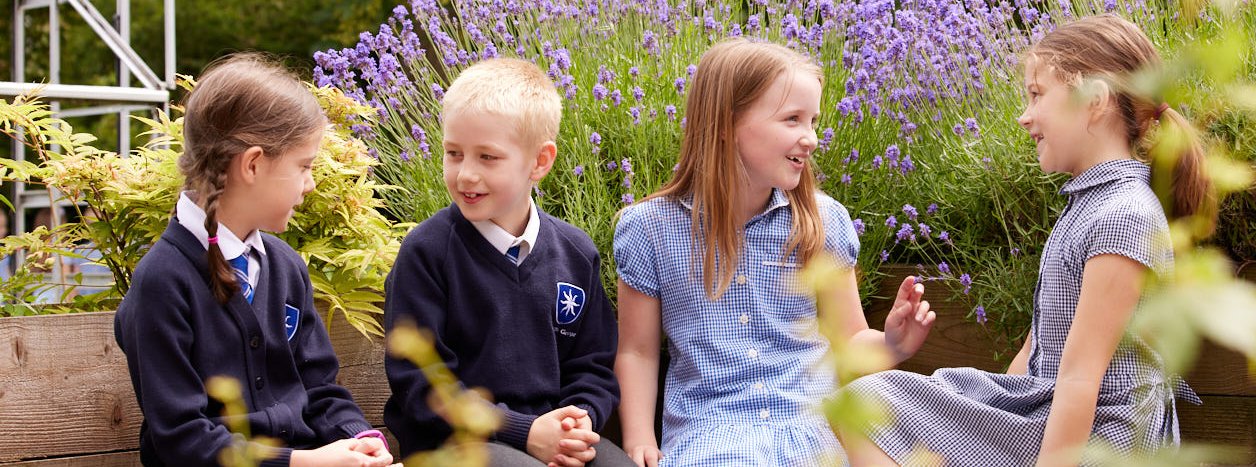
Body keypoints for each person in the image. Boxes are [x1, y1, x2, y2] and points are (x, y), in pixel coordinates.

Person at [843, 14, 1209, 466]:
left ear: (1093, 100)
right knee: (864, 405)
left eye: (1037, 95)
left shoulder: (1122, 216)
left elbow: (1080, 378)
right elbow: (1034, 351)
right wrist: (990, 419)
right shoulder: (1089, 206)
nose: (1024, 116)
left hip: (1103, 437)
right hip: (1050, 411)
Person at [612, 38, 934, 467]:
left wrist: (892, 344)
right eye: (793, 120)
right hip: (711, 433)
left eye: (814, 121)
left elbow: (850, 340)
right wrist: (638, 438)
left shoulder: (822, 220)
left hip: (816, 429)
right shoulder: (648, 228)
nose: (812, 139)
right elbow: (637, 351)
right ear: (727, 123)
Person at [114, 53, 395, 467]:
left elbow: (319, 389)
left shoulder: (284, 267)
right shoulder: (163, 282)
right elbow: (183, 439)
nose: (311, 184)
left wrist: (358, 439)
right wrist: (306, 463)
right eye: (304, 166)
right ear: (253, 164)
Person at [382, 57, 630, 467]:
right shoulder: (426, 253)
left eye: (487, 157)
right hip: (455, 446)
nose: (465, 175)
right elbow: (423, 385)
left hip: (550, 434)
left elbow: (593, 366)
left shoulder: (575, 251)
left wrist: (576, 424)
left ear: (540, 161)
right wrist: (524, 431)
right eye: (454, 153)